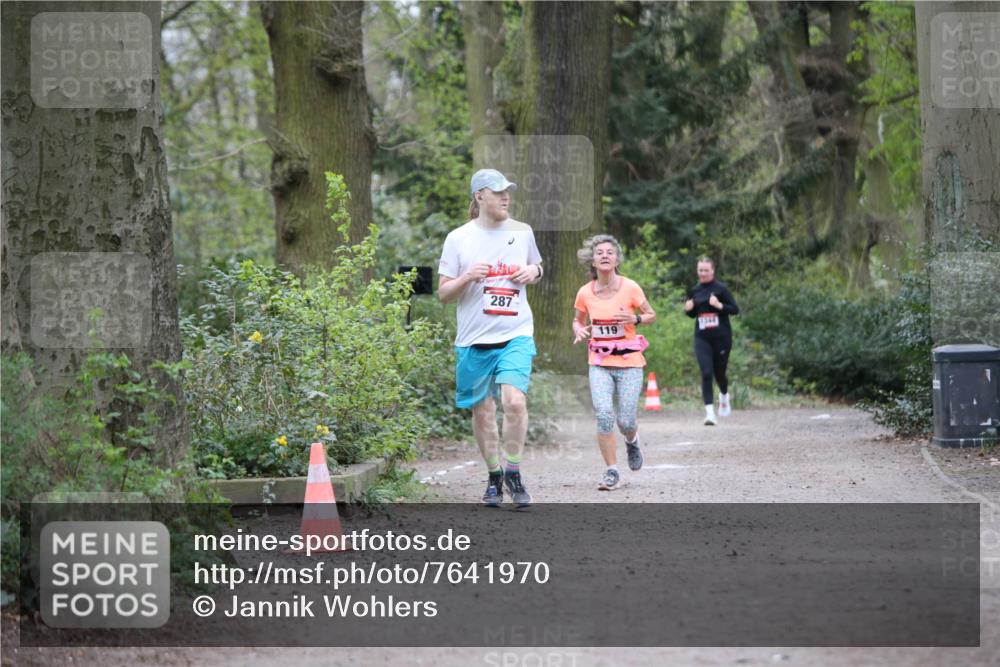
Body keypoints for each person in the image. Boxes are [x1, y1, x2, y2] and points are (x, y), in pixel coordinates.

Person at [438, 169, 543, 507]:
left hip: (515, 334)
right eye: (497, 192)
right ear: (479, 197)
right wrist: (468, 276)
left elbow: (537, 267)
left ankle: (513, 470)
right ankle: (495, 475)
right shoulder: (458, 239)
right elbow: (443, 294)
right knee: (483, 413)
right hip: (472, 340)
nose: (505, 197)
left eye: (507, 191)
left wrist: (533, 272)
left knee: (514, 402)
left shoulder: (522, 232)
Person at [572, 235, 656, 491]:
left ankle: (631, 441)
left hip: (630, 362)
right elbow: (577, 319)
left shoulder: (630, 287)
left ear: (617, 259)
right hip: (599, 362)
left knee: (626, 420)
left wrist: (635, 319)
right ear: (593, 260)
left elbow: (651, 315)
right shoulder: (585, 292)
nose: (605, 255)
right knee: (604, 416)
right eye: (600, 253)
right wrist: (578, 329)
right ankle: (611, 471)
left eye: (610, 252)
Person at [684, 257, 739, 425]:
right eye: (700, 270)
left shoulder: (721, 289)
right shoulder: (694, 290)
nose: (703, 273)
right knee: (706, 372)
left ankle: (724, 395)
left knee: (719, 373)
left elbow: (735, 309)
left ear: (712, 270)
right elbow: (693, 314)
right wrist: (688, 310)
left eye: (706, 270)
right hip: (702, 337)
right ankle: (710, 414)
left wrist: (719, 305)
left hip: (721, 337)